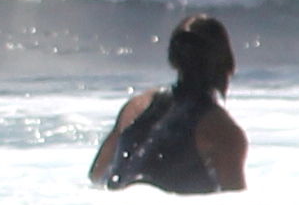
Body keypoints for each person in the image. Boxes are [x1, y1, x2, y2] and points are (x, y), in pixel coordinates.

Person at [89, 13, 249, 195]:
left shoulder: (137, 106)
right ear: (226, 62)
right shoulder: (222, 130)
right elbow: (234, 203)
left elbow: (96, 175)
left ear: (173, 59)